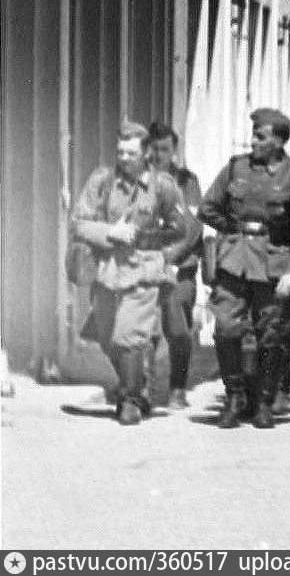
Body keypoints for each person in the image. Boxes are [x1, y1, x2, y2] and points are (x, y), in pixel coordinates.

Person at [70, 121, 199, 425]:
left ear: (146, 154)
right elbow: (79, 223)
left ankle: (130, 400)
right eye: (120, 152)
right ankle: (137, 387)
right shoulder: (102, 181)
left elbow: (183, 229)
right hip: (108, 269)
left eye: (131, 153)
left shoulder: (164, 186)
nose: (124, 158)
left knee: (128, 335)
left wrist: (160, 253)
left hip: (144, 269)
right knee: (106, 338)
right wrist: (110, 231)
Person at [198, 108, 290, 429]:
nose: (253, 142)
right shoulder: (236, 168)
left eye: (261, 137)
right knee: (225, 326)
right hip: (234, 260)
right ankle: (234, 396)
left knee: (270, 333)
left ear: (278, 140)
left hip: (273, 263)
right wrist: (233, 228)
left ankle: (263, 401)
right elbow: (208, 207)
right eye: (254, 135)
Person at [144, 122, 204, 411]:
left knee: (178, 329)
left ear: (174, 150)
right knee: (143, 328)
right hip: (146, 264)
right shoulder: (141, 180)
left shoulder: (186, 182)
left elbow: (193, 227)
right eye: (154, 149)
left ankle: (178, 388)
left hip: (181, 266)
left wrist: (170, 256)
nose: (158, 155)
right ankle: (143, 387)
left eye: (164, 149)